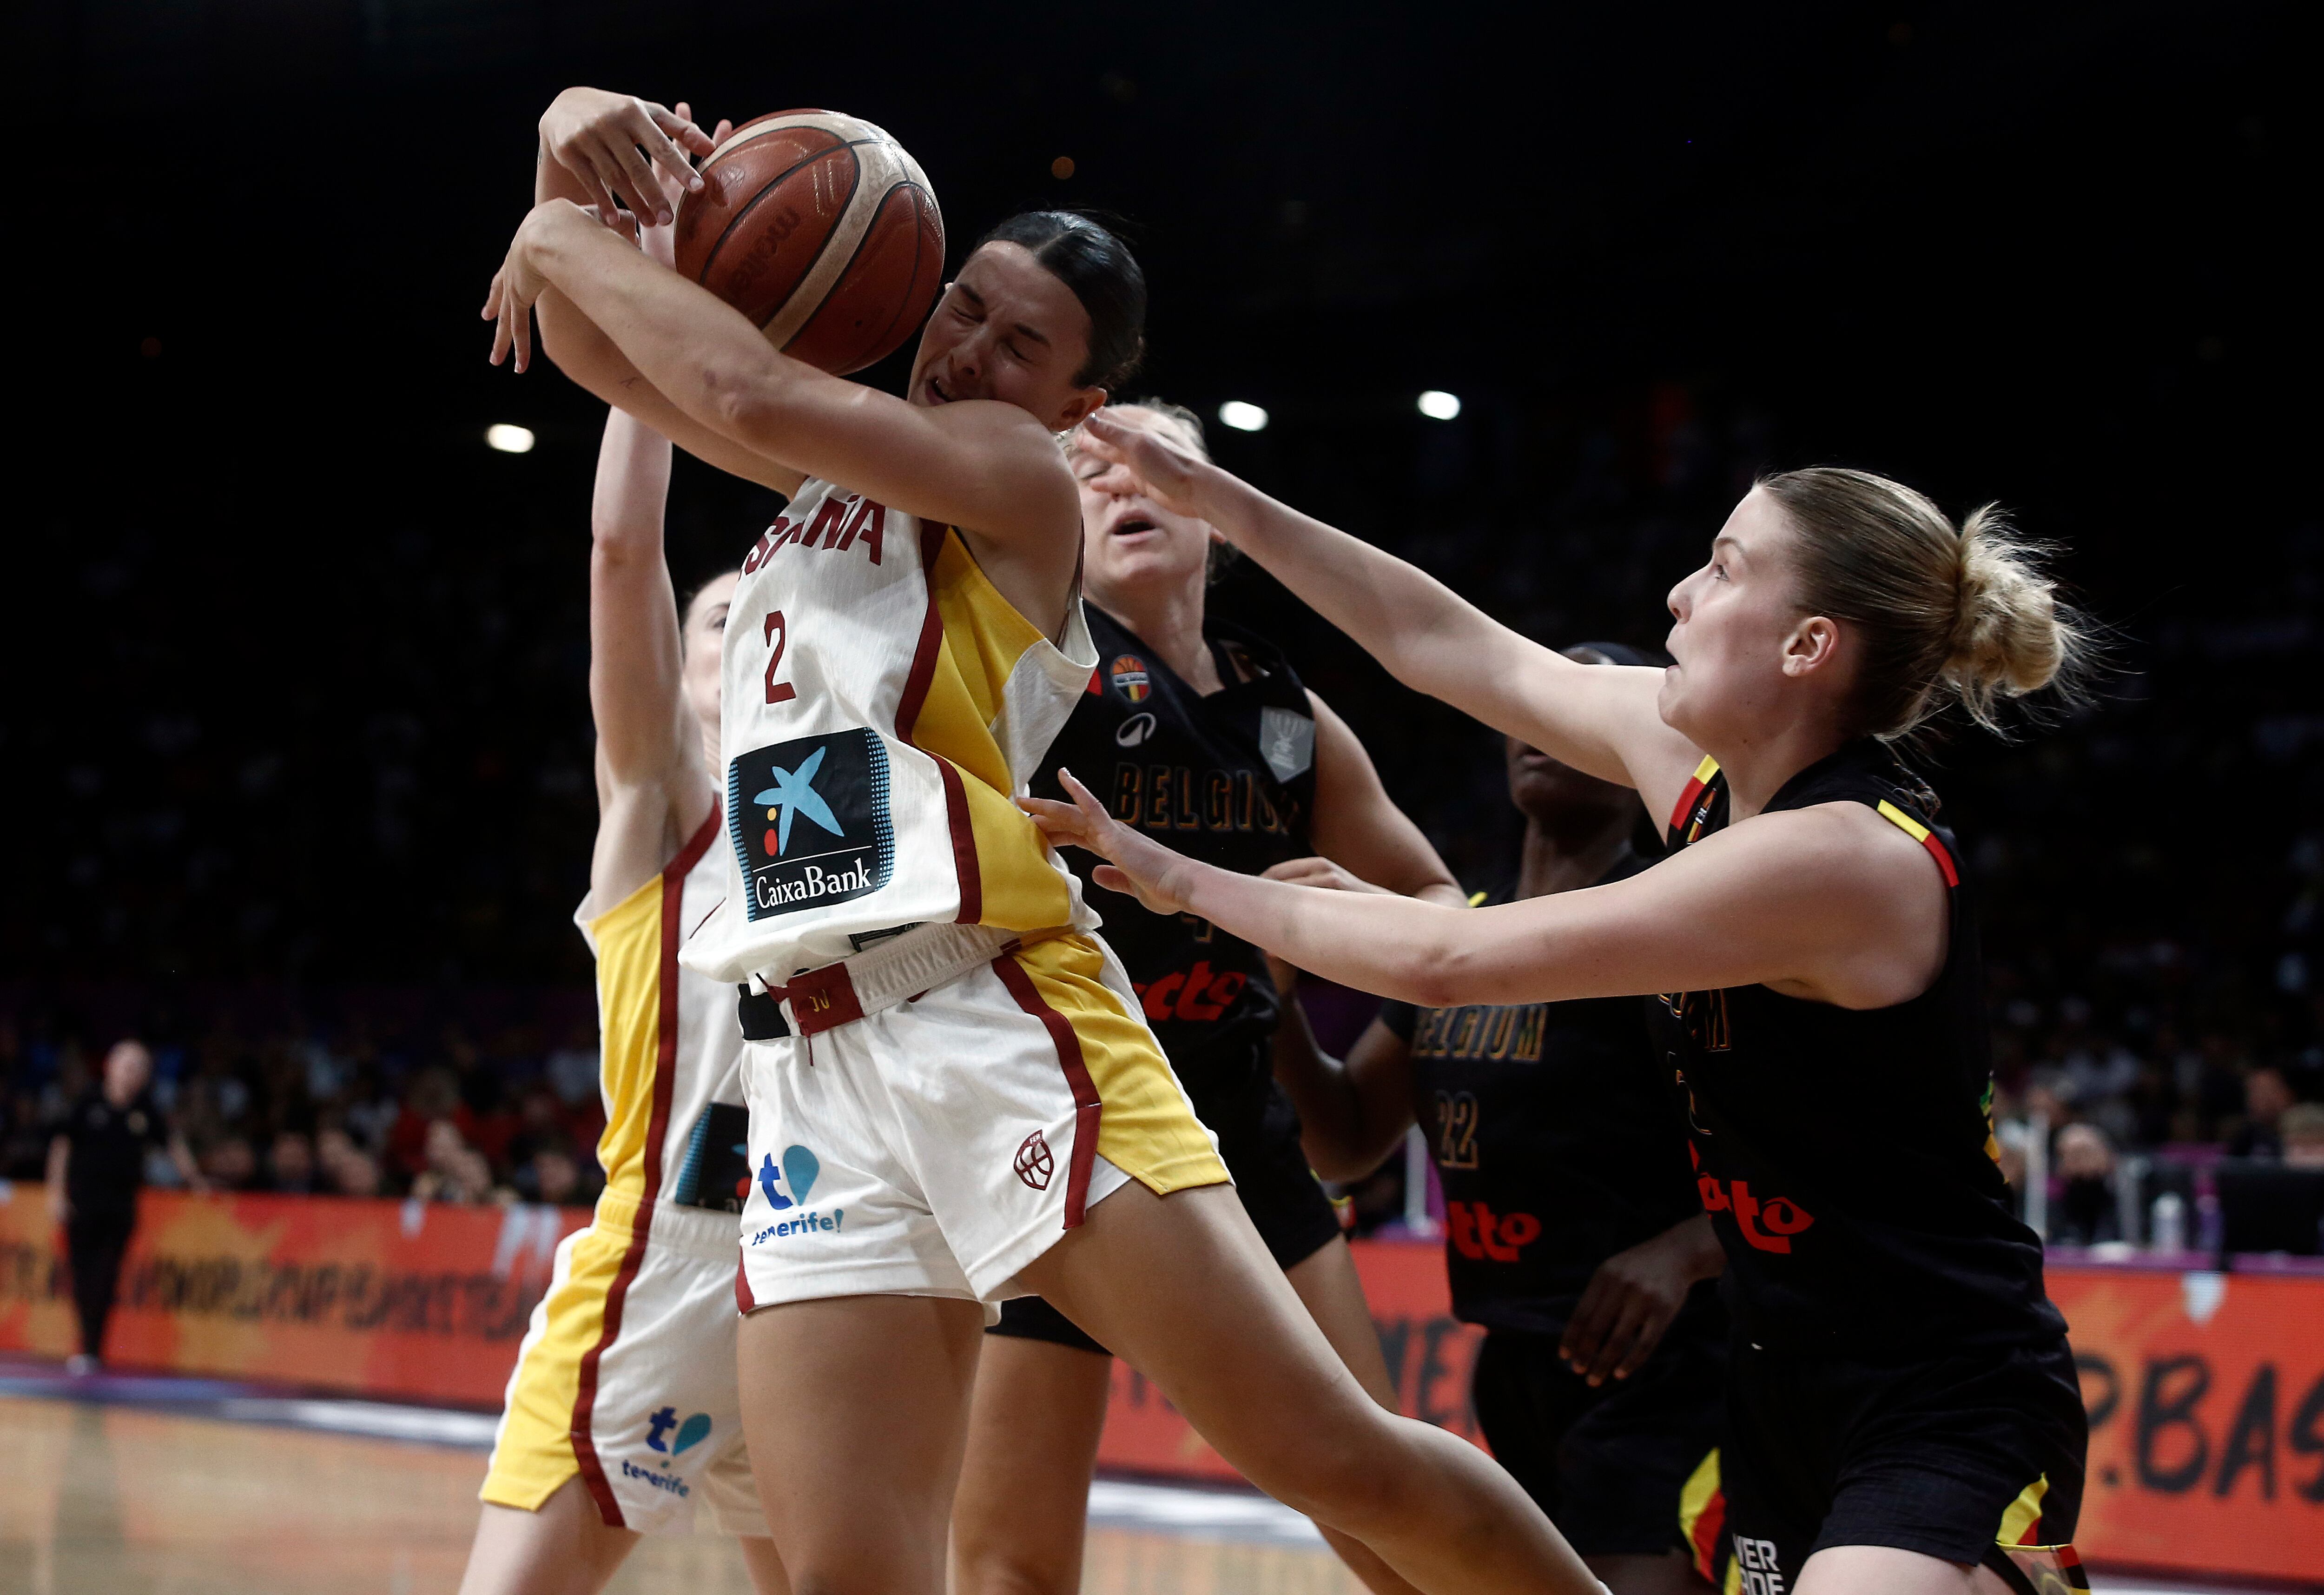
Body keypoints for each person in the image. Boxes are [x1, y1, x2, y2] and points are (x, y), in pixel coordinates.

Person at [485, 85, 1602, 1595]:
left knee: (1338, 1461)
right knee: (853, 1578)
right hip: (810, 1066)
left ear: (1080, 413)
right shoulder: (836, 486)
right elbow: (613, 362)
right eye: (961, 311)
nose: (966, 351)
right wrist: (571, 149)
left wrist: (562, 230)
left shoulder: (1015, 485)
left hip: (989, 1011)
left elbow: (739, 389)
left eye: (1021, 344)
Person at [1035, 416, 2095, 1595]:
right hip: (1775, 1372)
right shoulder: (1698, 775)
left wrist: (1178, 876)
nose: (1681, 594)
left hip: (1940, 1391)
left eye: (1725, 568)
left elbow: (1449, 961)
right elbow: (1440, 640)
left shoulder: (1843, 857)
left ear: (1806, 646)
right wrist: (1214, 493)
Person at [951, 401, 1469, 1595]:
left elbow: (1443, 898)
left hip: (1241, 1128)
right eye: (1085, 470)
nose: (1118, 481)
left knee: (1384, 1501)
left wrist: (1355, 920)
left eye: (1150, 464)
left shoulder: (1283, 711)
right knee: (1010, 1559)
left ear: (1214, 516)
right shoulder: (1033, 663)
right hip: (1066, 1122)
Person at [459, 101, 786, 1595]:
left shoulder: (856, 805)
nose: (737, 631)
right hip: (666, 1268)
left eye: (756, 617)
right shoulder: (662, 803)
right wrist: (656, 313)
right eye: (717, 620)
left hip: (821, 1272)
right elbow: (620, 556)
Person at [1269, 644, 1732, 1595]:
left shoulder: (1672, 926)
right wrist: (1266, 991)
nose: (1546, 725)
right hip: (1515, 1354)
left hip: (1669, 1361)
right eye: (1539, 701)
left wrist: (1682, 1249)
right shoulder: (1464, 939)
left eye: (1591, 700)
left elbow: (1810, 1154)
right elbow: (1349, 1135)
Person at [46, 1039, 202, 1373]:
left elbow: (171, 1141)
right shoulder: (88, 1101)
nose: (135, 1074)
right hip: (83, 1203)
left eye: (141, 1068)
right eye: (129, 1065)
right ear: (110, 1066)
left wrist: (194, 1177)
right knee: (83, 1275)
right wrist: (56, 1194)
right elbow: (62, 1146)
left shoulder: (144, 1109)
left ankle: (92, 1349)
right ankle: (87, 1345)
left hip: (121, 1205)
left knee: (107, 1275)